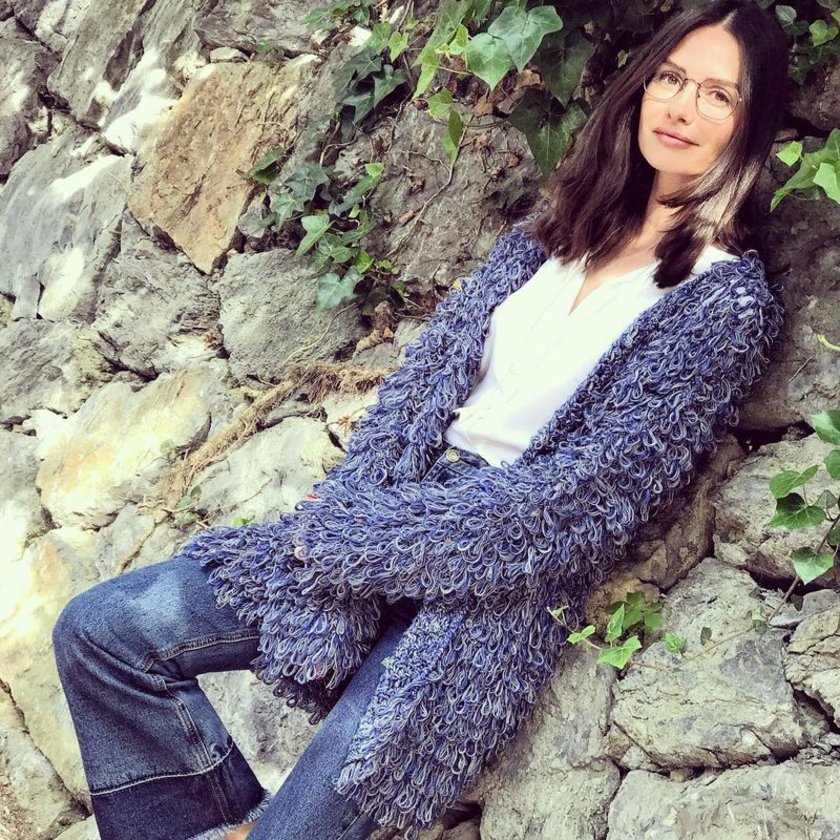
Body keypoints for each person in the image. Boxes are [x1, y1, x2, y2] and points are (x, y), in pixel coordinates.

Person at [51, 1, 790, 838]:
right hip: (382, 508)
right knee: (102, 633)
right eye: (671, 78)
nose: (683, 107)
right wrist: (354, 505)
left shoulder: (722, 301)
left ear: (749, 125)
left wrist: (356, 538)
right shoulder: (548, 238)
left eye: (718, 95)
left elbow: (580, 505)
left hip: (489, 592)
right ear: (642, 86)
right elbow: (419, 390)